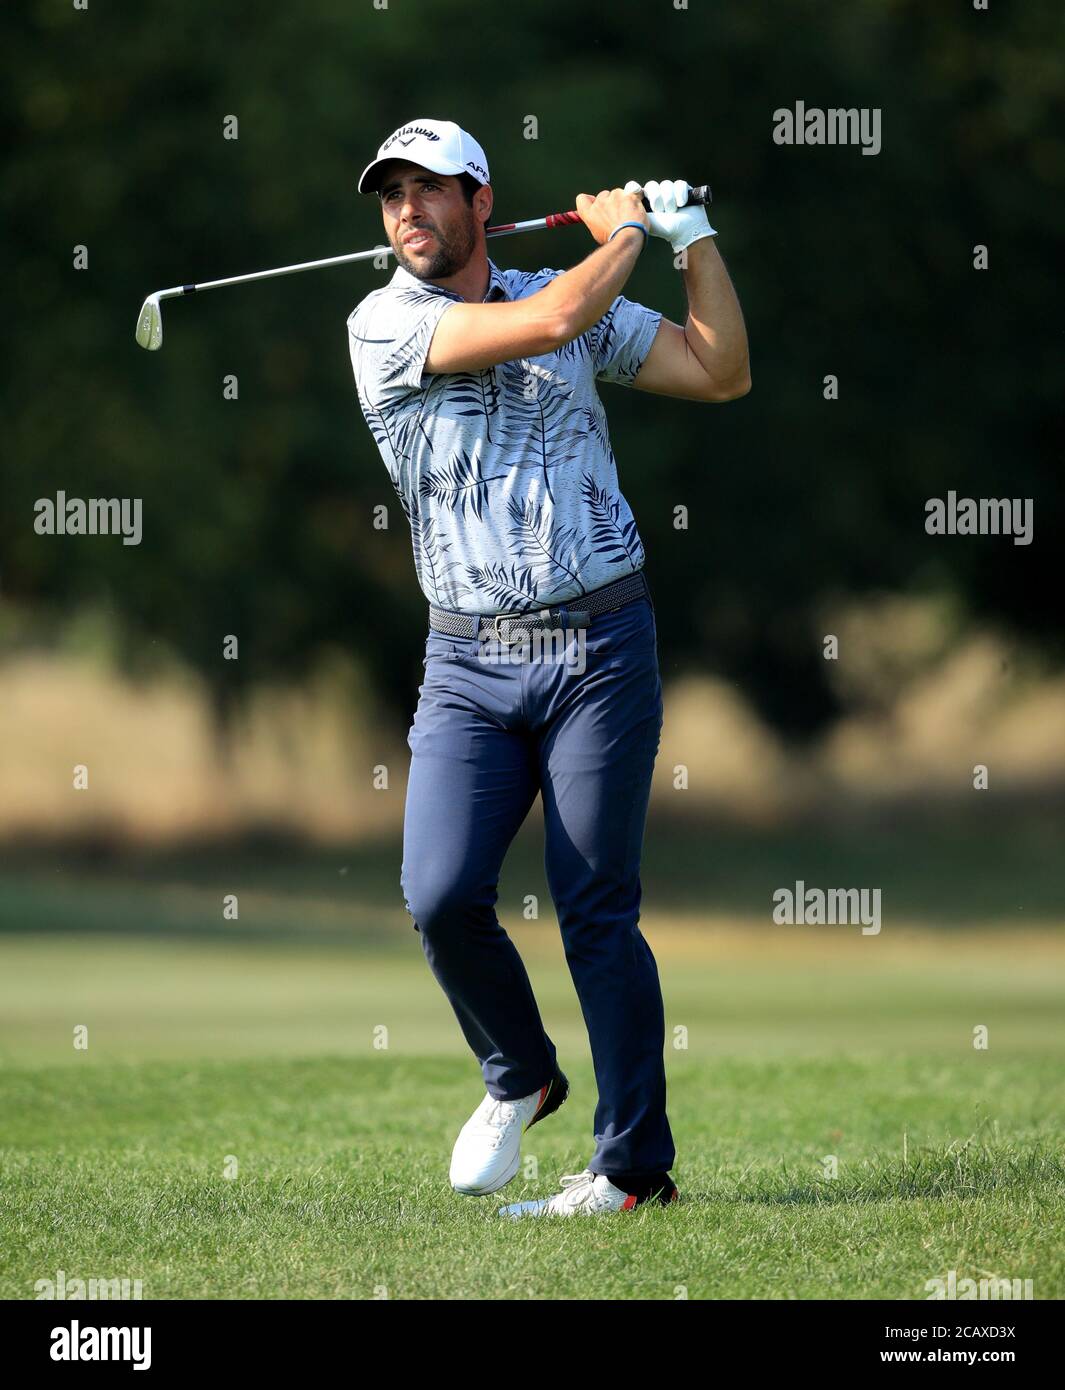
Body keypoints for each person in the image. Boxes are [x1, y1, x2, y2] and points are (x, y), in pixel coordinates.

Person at [347, 118, 750, 1218]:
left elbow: (720, 370)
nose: (409, 213)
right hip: (467, 663)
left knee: (594, 906)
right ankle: (519, 1071)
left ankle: (630, 1172)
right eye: (392, 196)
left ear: (485, 201)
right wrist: (623, 235)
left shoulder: (564, 289)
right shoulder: (384, 321)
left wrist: (691, 238)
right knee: (437, 894)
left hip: (599, 649)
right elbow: (555, 317)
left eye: (432, 191)